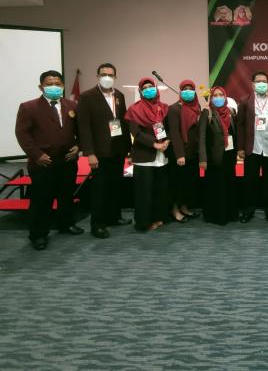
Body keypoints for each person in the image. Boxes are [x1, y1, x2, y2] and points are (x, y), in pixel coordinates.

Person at [15, 70, 82, 250]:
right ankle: (38, 234)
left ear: (63, 86)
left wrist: (79, 146)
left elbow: (80, 130)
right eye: (49, 84)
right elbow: (22, 134)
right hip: (43, 161)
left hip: (68, 160)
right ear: (41, 87)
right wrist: (36, 155)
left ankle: (66, 224)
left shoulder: (72, 105)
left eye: (58, 84)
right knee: (41, 199)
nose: (54, 87)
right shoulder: (28, 107)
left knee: (66, 196)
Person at [77, 63, 132, 239]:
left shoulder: (119, 95)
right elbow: (84, 127)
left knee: (115, 186)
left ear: (115, 77)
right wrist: (90, 153)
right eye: (103, 74)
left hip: (118, 150)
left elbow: (122, 123)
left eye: (110, 75)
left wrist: (128, 148)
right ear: (98, 76)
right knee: (100, 189)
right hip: (99, 152)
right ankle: (98, 224)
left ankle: (114, 217)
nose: (107, 77)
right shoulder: (87, 97)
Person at [125, 77, 170, 232]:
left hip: (161, 156)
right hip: (144, 156)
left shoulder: (163, 108)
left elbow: (168, 128)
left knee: (159, 190)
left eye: (151, 86)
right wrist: (154, 144)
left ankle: (158, 217)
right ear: (140, 91)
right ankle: (143, 222)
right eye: (145, 88)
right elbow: (136, 132)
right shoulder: (134, 109)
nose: (148, 89)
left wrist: (166, 141)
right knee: (144, 192)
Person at [237, 71, 268, 223]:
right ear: (253, 84)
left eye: (264, 81)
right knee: (250, 181)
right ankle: (248, 211)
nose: (261, 83)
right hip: (252, 148)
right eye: (258, 81)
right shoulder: (244, 101)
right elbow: (240, 125)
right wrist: (240, 148)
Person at [199, 86, 238, 225]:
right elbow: (202, 137)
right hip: (214, 157)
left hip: (229, 156)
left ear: (225, 96)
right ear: (211, 98)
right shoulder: (207, 113)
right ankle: (216, 216)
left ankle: (230, 214)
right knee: (216, 186)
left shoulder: (231, 112)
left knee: (229, 184)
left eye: (221, 94)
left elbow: (235, 133)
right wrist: (203, 159)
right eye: (215, 95)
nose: (218, 97)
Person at [167, 80, 202, 222]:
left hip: (193, 152)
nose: (188, 91)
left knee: (189, 183)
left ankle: (184, 206)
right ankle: (175, 210)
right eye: (185, 89)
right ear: (180, 91)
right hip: (180, 154)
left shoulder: (197, 107)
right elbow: (174, 133)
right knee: (178, 183)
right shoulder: (174, 109)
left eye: (190, 89)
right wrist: (179, 155)